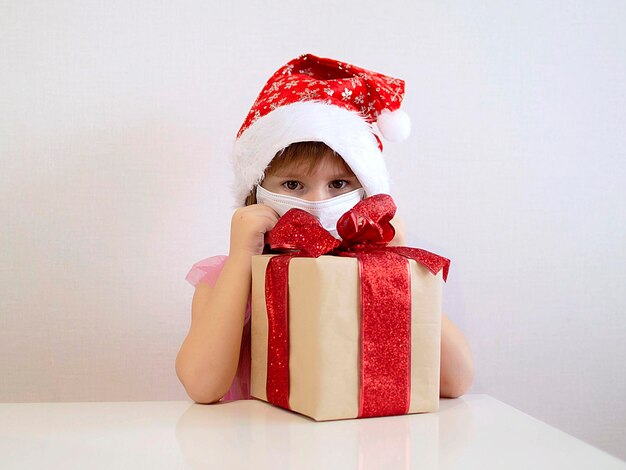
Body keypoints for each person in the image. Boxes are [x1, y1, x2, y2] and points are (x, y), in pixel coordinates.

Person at [176, 54, 474, 404]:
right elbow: (202, 386)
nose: (316, 203)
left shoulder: (371, 276)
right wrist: (242, 256)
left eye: (338, 184)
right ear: (255, 191)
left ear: (367, 193)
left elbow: (455, 382)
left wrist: (396, 265)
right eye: (292, 185)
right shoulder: (227, 280)